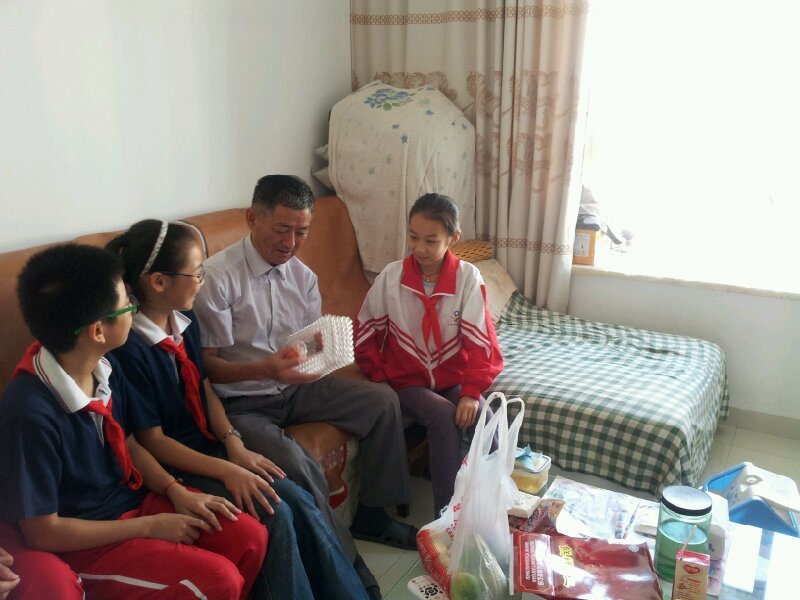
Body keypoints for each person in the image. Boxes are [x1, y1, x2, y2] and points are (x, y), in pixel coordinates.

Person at [107, 219, 368, 600]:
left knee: (296, 498)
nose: (202, 280)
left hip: (212, 446)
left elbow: (205, 387)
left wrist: (234, 445)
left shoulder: (185, 322)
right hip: (175, 463)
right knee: (274, 512)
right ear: (159, 282)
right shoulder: (129, 349)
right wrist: (229, 470)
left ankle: (356, 592)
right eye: (197, 272)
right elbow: (153, 442)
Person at [0, 244, 267, 599]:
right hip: (86, 539)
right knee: (218, 580)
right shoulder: (29, 413)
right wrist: (149, 527)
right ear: (98, 330)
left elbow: (127, 443)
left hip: (133, 501)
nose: (134, 309)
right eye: (127, 304)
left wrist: (174, 490)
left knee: (249, 537)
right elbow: (42, 532)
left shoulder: (103, 365)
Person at [192, 175, 418, 563]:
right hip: (241, 405)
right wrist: (267, 369)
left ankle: (372, 515)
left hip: (295, 389)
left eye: (302, 232)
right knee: (296, 461)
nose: (291, 242)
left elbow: (308, 343)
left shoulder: (303, 277)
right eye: (282, 229)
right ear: (252, 218)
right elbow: (206, 368)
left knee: (382, 401)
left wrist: (322, 354)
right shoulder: (218, 279)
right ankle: (344, 561)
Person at [354, 193, 504, 515]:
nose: (419, 248)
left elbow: (482, 342)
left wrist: (471, 392)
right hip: (407, 381)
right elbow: (365, 331)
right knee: (442, 416)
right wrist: (380, 376)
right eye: (413, 237)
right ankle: (446, 518)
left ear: (453, 238)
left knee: (486, 418)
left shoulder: (467, 278)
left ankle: (494, 505)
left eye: (431, 240)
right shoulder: (391, 278)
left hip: (451, 378)